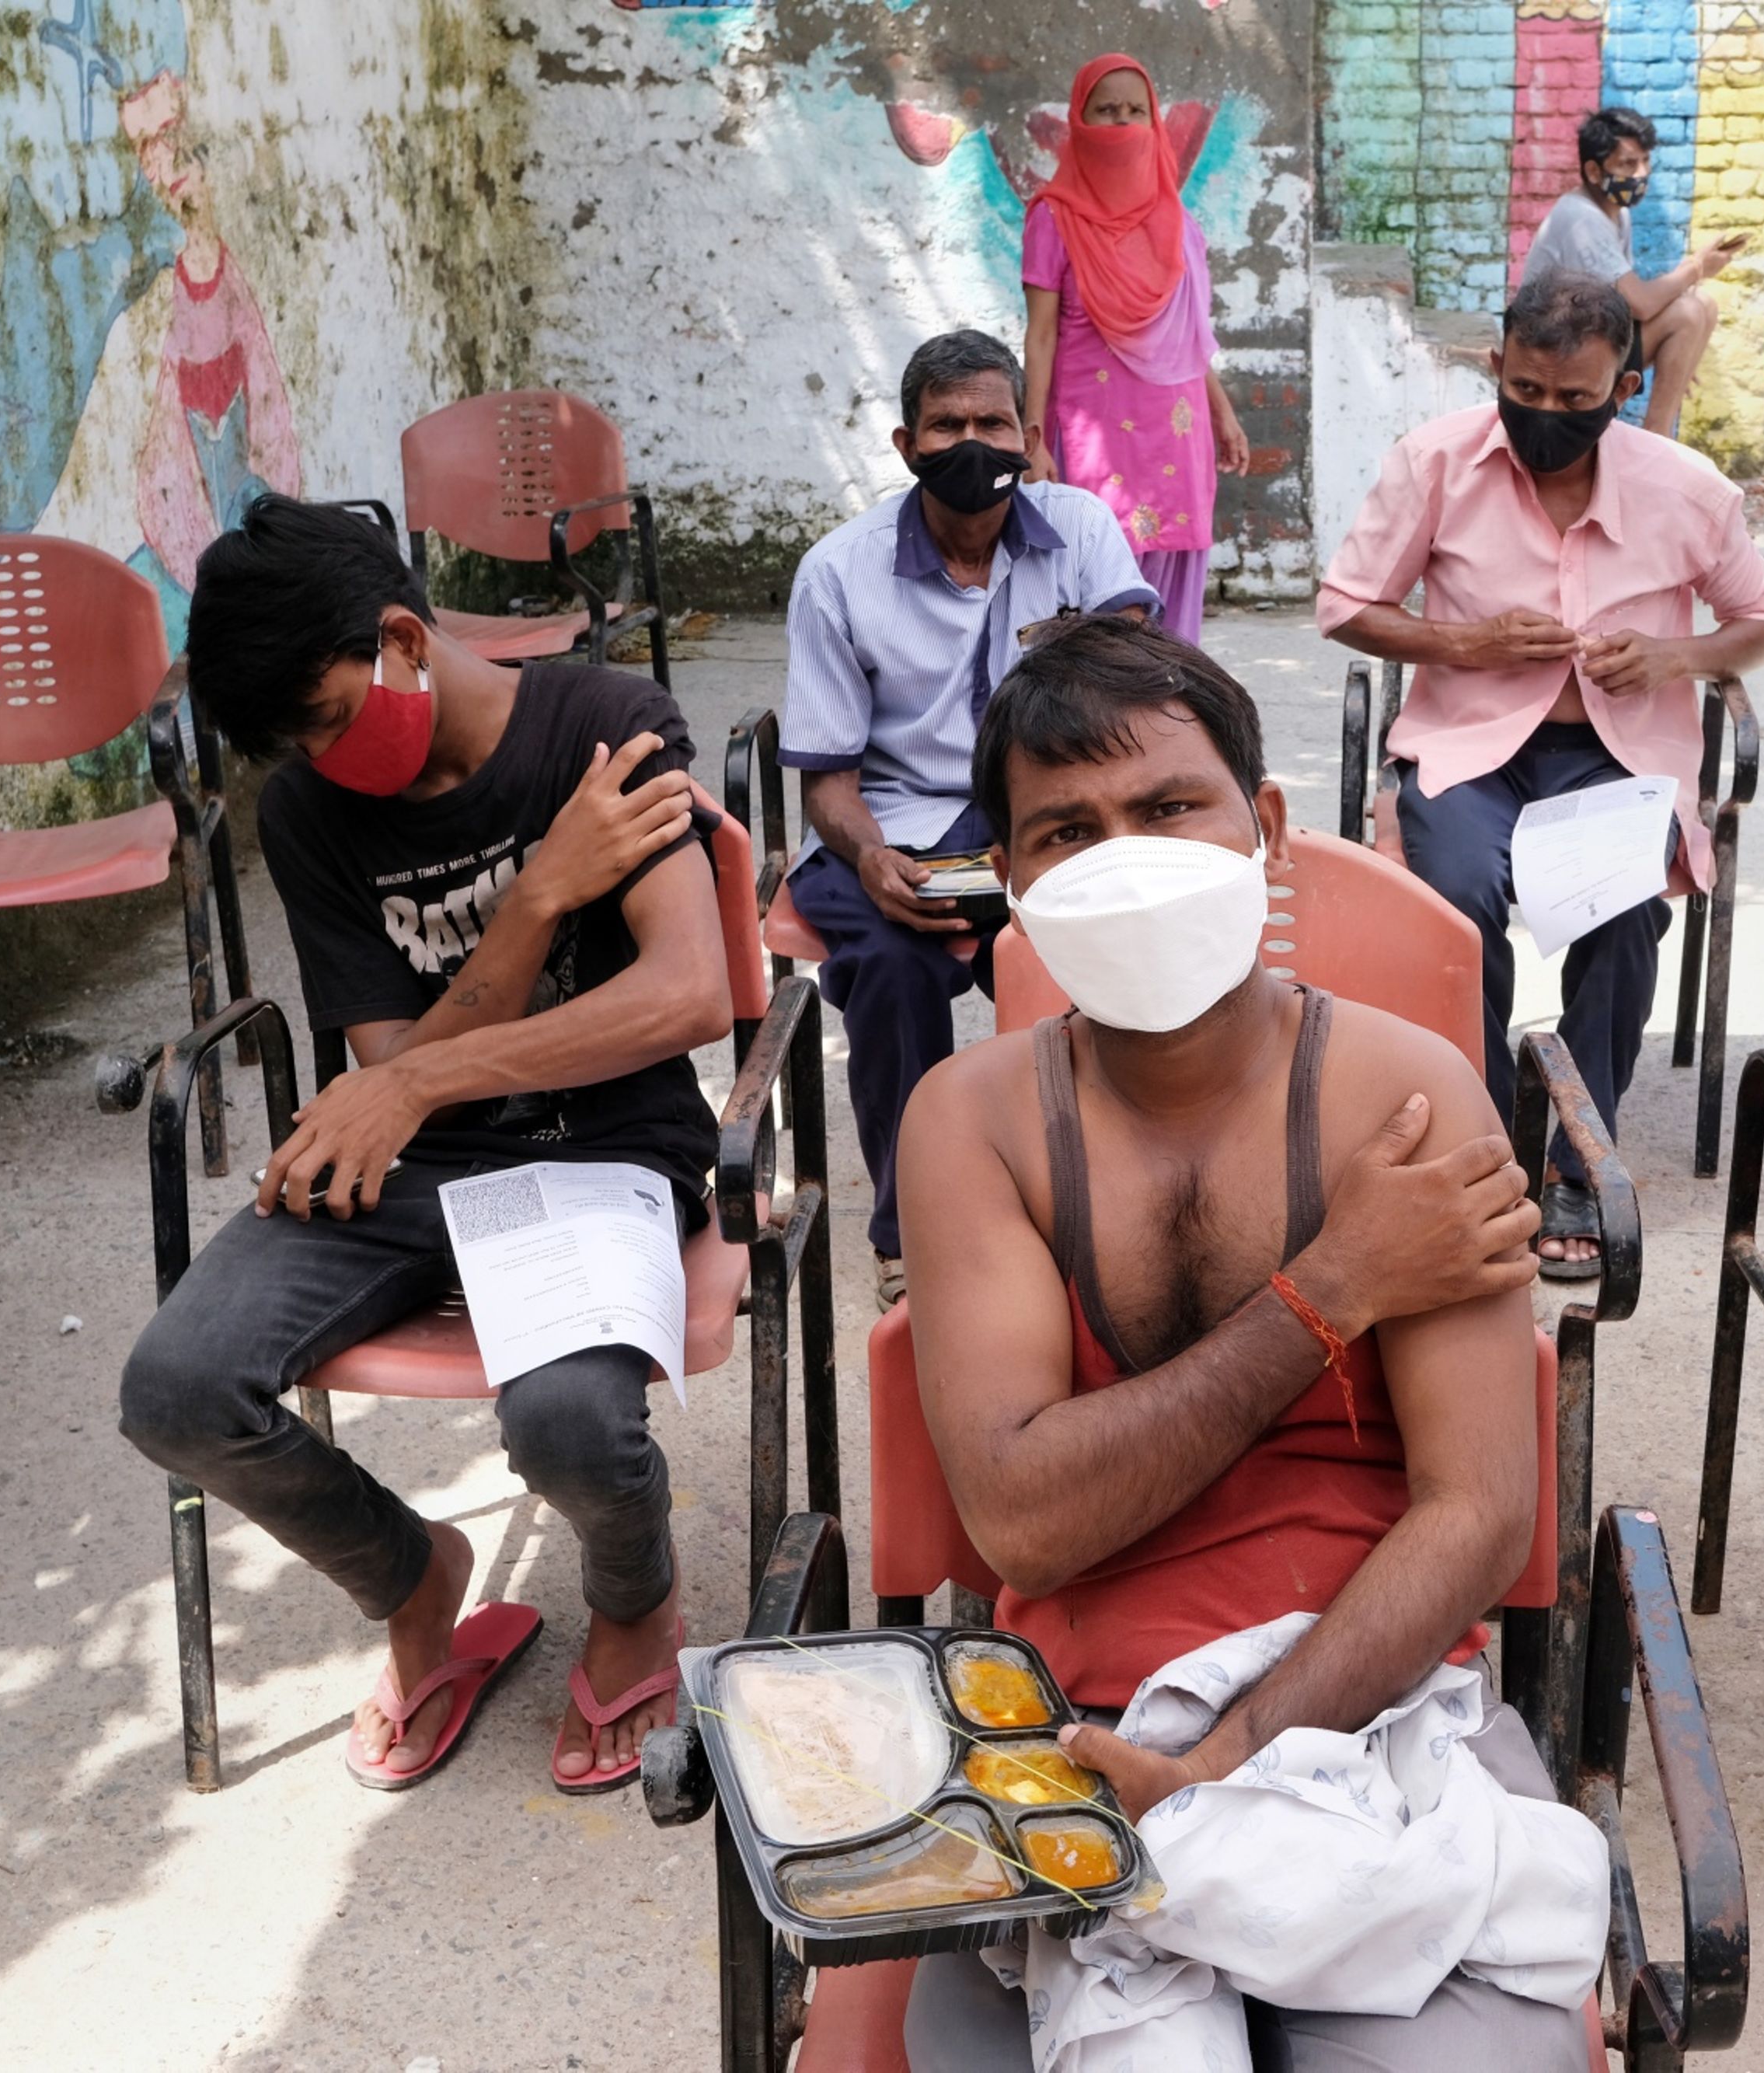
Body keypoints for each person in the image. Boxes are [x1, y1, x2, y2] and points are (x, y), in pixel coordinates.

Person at [894, 616, 1579, 2068]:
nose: (1125, 858)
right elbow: (1025, 1519)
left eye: (1167, 807)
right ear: (1011, 878)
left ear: (1262, 824)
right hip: (1069, 1728)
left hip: (1377, 1705)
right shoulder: (974, 1122)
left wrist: (1229, 1759)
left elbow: (1476, 1510)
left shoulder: (1409, 1096)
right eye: (1066, 831)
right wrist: (1329, 1290)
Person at [117, 494, 731, 1794]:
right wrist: (540, 897)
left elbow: (685, 994)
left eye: (329, 716)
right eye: (296, 743)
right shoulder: (310, 811)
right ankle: (413, 1575)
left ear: (402, 636)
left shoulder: (605, 724)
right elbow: (390, 1071)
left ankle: (634, 1599)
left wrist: (413, 1080)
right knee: (176, 1387)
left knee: (564, 1421)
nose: (323, 757)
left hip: (603, 1147)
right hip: (415, 1162)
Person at [1318, 270, 1764, 1275]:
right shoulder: (1434, 462)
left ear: (1624, 387)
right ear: (1496, 366)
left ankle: (1579, 1158)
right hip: (1469, 743)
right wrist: (1465, 642)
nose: (1544, 414)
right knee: (1451, 900)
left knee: (1622, 912)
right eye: (1523, 390)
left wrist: (1673, 658)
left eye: (1574, 398)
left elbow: (1760, 622)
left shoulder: (1684, 489)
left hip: (1615, 757)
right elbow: (1346, 605)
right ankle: (1485, 1143)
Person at [783, 330, 1156, 1309]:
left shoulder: (1079, 530)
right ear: (906, 444)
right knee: (890, 965)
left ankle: (1110, 1203)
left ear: (1028, 438)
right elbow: (826, 779)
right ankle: (914, 1232)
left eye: (993, 422)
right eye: (946, 425)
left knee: (1094, 956)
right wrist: (871, 858)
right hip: (896, 822)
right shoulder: (838, 573)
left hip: (1051, 815)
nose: (971, 443)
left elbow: (1132, 694)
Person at [1021, 51, 1251, 643]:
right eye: (1106, 110)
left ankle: (1172, 693)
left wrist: (1223, 413)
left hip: (1178, 429)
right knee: (1095, 579)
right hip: (1094, 431)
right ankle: (1099, 700)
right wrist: (1032, 437)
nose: (1122, 122)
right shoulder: (1054, 218)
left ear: (1155, 122)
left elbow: (1190, 336)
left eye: (1135, 110)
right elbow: (1041, 335)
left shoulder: (1177, 221)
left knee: (1172, 596)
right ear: (1080, 120)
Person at [1517, 105, 1748, 438]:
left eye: (1645, 161)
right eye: (1628, 164)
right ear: (1594, 171)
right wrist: (1696, 268)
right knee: (1687, 313)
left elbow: (1625, 306)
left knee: (1704, 306)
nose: (1641, 173)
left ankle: (1655, 435)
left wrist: (1681, 360)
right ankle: (1658, 436)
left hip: (1582, 338)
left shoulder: (1616, 213)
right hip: (1553, 353)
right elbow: (1640, 304)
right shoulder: (1582, 219)